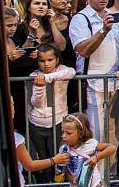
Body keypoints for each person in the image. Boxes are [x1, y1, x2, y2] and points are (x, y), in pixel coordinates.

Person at [68, 0, 119, 171]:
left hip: (116, 84)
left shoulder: (112, 16)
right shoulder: (80, 19)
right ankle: (94, 177)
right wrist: (103, 30)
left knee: (114, 133)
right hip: (93, 84)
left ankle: (110, 175)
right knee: (95, 135)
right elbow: (83, 50)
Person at [27, 43, 76, 183]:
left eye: (50, 60)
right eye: (42, 61)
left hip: (58, 121)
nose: (46, 64)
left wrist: (48, 78)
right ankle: (45, 183)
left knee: (59, 157)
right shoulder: (34, 75)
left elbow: (71, 72)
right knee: (42, 159)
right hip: (37, 123)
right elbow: (36, 103)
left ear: (57, 60)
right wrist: (39, 87)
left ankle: (59, 183)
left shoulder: (62, 70)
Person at [56, 113, 117, 187]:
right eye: (63, 132)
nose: (64, 136)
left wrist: (97, 157)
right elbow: (63, 172)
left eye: (68, 133)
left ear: (80, 133)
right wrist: (68, 177)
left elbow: (112, 148)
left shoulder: (89, 144)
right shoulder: (64, 149)